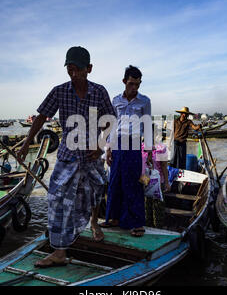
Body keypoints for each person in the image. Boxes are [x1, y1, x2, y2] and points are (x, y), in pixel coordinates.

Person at [17, 46, 115, 267]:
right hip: (68, 156)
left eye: (77, 70)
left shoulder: (99, 92)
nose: (73, 75)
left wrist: (101, 146)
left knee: (95, 192)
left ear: (89, 69)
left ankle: (94, 222)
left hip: (91, 155)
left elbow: (110, 120)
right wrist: (25, 143)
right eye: (69, 70)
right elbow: (41, 117)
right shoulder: (59, 91)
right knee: (57, 200)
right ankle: (59, 252)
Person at [103, 65, 153, 237]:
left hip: (133, 145)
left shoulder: (144, 101)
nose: (134, 88)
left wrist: (149, 152)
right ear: (124, 81)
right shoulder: (116, 100)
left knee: (133, 183)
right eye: (131, 84)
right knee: (115, 181)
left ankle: (136, 223)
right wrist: (108, 148)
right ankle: (114, 218)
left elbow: (147, 126)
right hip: (116, 144)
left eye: (137, 85)